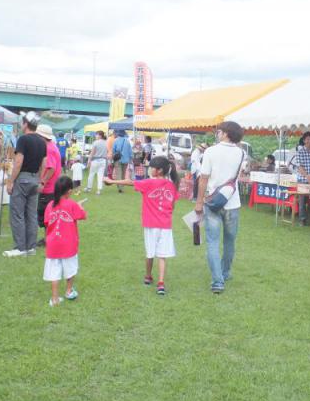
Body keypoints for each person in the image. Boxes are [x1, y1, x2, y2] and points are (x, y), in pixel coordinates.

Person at [105, 156, 179, 295]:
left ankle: (148, 276)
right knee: (162, 255)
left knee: (150, 252)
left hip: (151, 224)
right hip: (165, 225)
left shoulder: (149, 182)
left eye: (151, 168)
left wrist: (112, 181)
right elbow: (172, 205)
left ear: (159, 170)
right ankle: (161, 283)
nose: (149, 170)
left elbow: (130, 182)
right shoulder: (171, 185)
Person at [195, 121, 245, 294]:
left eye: (219, 131)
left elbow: (203, 178)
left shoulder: (210, 151)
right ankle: (225, 272)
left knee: (213, 242)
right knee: (230, 241)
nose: (217, 134)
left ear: (225, 133)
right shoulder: (241, 153)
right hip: (233, 202)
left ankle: (217, 281)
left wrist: (199, 202)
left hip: (212, 202)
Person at [5, 112, 47, 257]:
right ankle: (31, 247)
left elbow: (18, 162)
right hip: (35, 179)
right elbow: (44, 163)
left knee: (17, 214)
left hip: (22, 179)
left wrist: (10, 181)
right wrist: (41, 180)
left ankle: (20, 248)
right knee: (31, 215)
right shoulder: (42, 142)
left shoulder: (23, 139)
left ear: (25, 124)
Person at [43, 176, 86, 306]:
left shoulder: (50, 205)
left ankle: (55, 299)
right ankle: (68, 291)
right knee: (70, 268)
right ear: (69, 191)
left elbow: (46, 222)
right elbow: (82, 215)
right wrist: (80, 206)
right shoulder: (71, 204)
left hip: (53, 244)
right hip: (68, 244)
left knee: (54, 272)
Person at [36, 124, 61, 247]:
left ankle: (48, 239)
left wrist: (42, 182)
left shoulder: (48, 148)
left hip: (49, 188)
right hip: (52, 186)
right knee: (48, 213)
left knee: (46, 214)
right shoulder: (52, 146)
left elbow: (51, 168)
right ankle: (49, 238)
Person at [294, 132, 310, 226]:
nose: (309, 141)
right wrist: (307, 176)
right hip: (302, 179)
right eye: (307, 139)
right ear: (304, 141)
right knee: (302, 200)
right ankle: (302, 219)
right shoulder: (299, 152)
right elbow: (299, 167)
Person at [85, 130, 109, 195]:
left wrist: (89, 161)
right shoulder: (106, 142)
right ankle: (99, 190)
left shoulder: (95, 142)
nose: (95, 136)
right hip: (103, 160)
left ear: (100, 135)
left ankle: (89, 188)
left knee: (91, 174)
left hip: (95, 160)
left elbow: (92, 153)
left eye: (96, 135)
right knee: (100, 175)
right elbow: (107, 152)